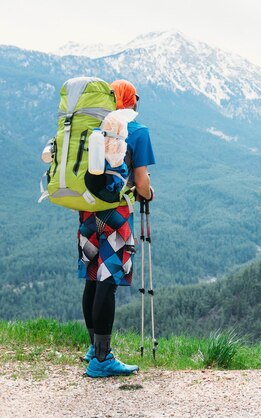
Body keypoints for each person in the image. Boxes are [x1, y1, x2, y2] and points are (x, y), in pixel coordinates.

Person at [80, 79, 156, 377]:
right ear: (130, 100)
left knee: (91, 277)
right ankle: (102, 359)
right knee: (108, 280)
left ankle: (92, 349)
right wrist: (148, 194)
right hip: (116, 212)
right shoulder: (137, 131)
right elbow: (142, 182)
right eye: (136, 97)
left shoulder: (96, 126)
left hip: (88, 207)